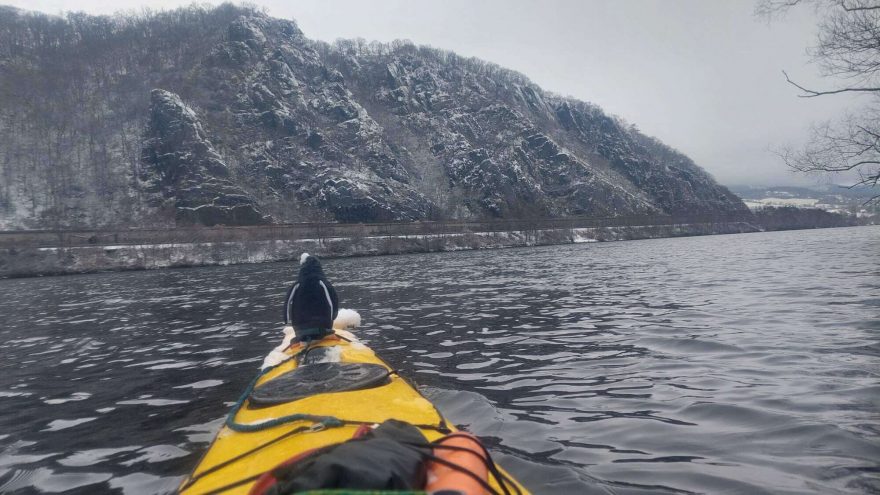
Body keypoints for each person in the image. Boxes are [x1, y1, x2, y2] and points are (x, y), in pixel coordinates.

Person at [283, 253, 339, 342]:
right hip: (323, 328)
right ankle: (325, 337)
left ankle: (303, 340)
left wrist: (287, 320)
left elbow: (287, 304)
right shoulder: (323, 283)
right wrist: (333, 317)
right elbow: (333, 302)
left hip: (300, 329)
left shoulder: (296, 285)